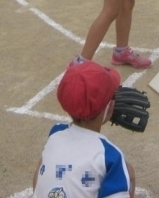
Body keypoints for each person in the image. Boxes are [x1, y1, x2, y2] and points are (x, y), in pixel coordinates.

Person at [32, 60, 136, 198]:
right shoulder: (110, 156)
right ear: (110, 107)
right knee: (128, 172)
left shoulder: (55, 132)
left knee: (44, 164)